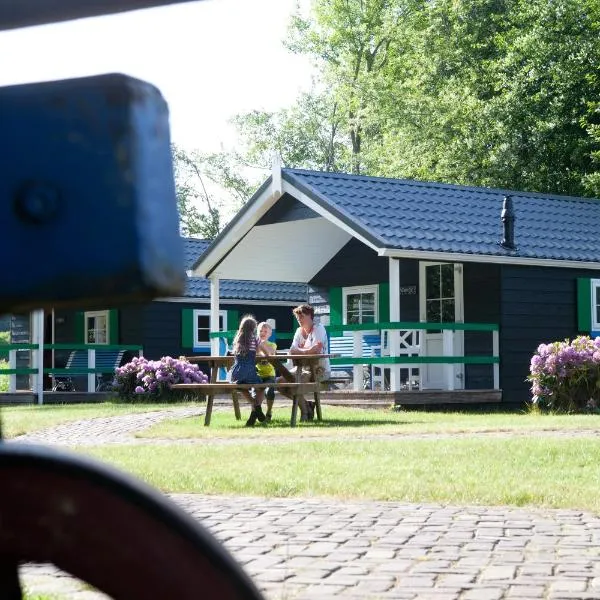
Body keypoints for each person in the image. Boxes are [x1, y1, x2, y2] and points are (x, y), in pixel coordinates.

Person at [277, 304, 330, 421]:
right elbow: (292, 351)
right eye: (297, 318)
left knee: (294, 384)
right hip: (300, 368)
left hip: (318, 369)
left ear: (310, 316)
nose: (299, 320)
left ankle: (305, 412)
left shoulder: (319, 328)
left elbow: (316, 351)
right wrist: (307, 351)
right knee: (279, 383)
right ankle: (306, 405)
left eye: (302, 317)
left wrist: (300, 351)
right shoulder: (298, 331)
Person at [230, 315, 272, 427]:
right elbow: (266, 353)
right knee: (262, 386)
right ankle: (257, 405)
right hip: (249, 371)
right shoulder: (255, 339)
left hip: (237, 372)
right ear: (253, 328)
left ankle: (254, 408)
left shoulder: (237, 339)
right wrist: (262, 354)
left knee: (240, 386)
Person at [256, 321, 277, 421]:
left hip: (269, 373)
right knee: (256, 391)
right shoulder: (255, 345)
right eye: (260, 331)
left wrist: (263, 344)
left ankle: (269, 410)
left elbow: (271, 352)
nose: (262, 333)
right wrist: (258, 345)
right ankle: (256, 411)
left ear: (269, 334)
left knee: (270, 391)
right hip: (257, 373)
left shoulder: (272, 344)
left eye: (265, 331)